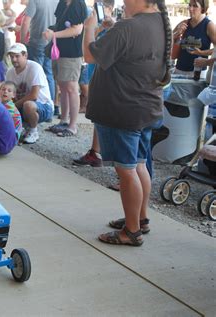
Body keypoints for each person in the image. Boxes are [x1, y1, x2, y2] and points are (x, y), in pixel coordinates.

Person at [82, 0, 171, 245]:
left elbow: (90, 55)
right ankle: (140, 219)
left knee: (126, 170)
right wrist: (112, 30)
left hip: (121, 110)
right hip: (143, 109)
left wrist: (90, 26)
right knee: (139, 165)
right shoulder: (158, 22)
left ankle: (131, 232)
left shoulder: (128, 27)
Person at [73, 0, 115, 168]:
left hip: (106, 78)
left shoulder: (118, 28)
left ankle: (104, 154)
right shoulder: (105, 27)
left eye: (102, 7)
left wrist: (94, 27)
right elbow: (90, 46)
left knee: (105, 118)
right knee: (98, 117)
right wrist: (97, 27)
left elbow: (92, 54)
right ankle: (95, 152)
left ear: (110, 8)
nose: (96, 11)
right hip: (96, 75)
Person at [43, 0, 87, 137]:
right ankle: (63, 121)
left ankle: (73, 125)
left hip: (71, 53)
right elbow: (61, 25)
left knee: (72, 88)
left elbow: (77, 29)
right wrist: (52, 30)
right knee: (62, 87)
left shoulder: (78, 4)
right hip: (59, 51)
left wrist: (54, 34)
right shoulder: (63, 3)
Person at [5, 43, 53, 144]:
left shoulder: (35, 67)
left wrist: (12, 107)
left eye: (17, 56)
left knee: (28, 104)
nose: (13, 59)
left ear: (25, 55)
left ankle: (33, 131)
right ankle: (18, 129)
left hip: (43, 105)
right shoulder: (10, 72)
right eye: (11, 56)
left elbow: (34, 96)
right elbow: (8, 93)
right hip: (21, 105)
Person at [20, 0, 59, 107]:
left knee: (35, 75)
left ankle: (37, 106)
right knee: (49, 75)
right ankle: (51, 106)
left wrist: (22, 42)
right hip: (52, 42)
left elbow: (25, 22)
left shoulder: (35, 1)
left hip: (37, 42)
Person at [172, 0, 216, 75]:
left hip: (198, 73)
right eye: (189, 5)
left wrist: (202, 52)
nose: (190, 8)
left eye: (195, 6)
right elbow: (166, 41)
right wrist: (177, 34)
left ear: (203, 8)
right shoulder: (184, 23)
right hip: (179, 71)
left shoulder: (209, 25)